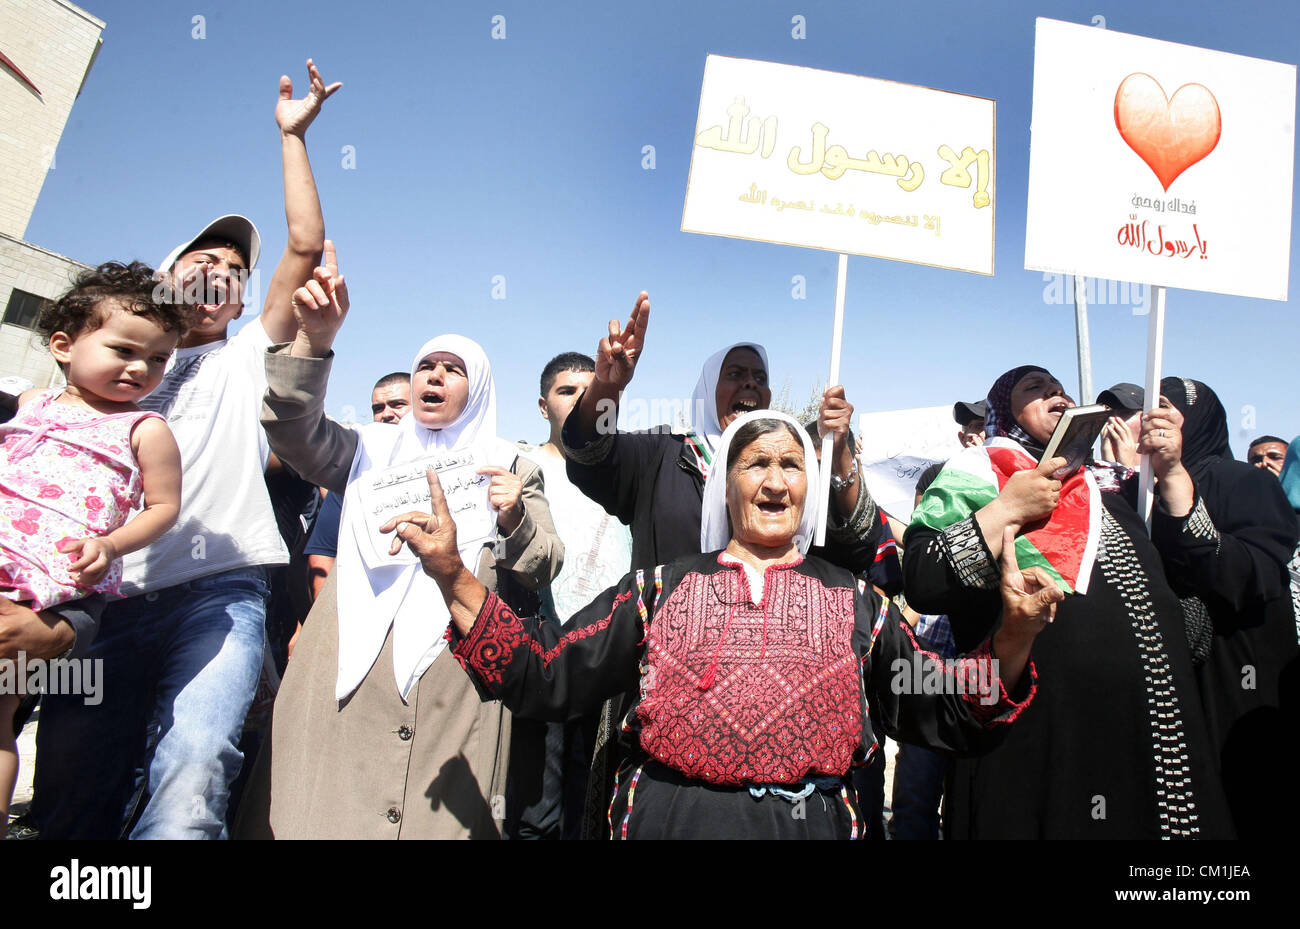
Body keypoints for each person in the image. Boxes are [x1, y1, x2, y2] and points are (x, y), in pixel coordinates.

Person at [386, 410, 1050, 839]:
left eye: (791, 464)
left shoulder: (856, 601)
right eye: (755, 462)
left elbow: (944, 709)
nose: (774, 478)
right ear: (725, 485)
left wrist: (1014, 633)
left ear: (809, 485)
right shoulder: (659, 589)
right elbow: (544, 672)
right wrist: (452, 572)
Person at [32, 59, 341, 840]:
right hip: (104, 607)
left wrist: (293, 138)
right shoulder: (106, 375)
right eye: (202, 262)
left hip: (216, 595)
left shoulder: (239, 360)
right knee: (74, 789)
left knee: (194, 771)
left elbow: (305, 244)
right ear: (162, 282)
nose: (220, 274)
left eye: (236, 272)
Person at [234, 246, 563, 839]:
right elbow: (290, 428)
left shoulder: (509, 462)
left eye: (453, 369)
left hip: (457, 672)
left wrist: (512, 516)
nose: (435, 377)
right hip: (351, 663)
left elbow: (543, 566)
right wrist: (315, 342)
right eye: (425, 367)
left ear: (480, 387)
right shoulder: (365, 450)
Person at [905, 365, 1234, 838]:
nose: (1055, 394)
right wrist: (1005, 511)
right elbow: (922, 578)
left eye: (1058, 388)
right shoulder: (978, 471)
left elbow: (1185, 570)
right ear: (1003, 409)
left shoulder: (1112, 485)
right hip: (1040, 733)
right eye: (1034, 388)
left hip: (1146, 731)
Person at [1, 262, 185, 836]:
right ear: (62, 344)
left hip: (48, 588)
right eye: (125, 350)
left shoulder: (144, 429)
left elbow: (163, 508)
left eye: (158, 359)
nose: (141, 368)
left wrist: (108, 543)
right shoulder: (31, 404)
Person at [1151, 378, 1299, 839]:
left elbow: (1250, 574)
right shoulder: (1140, 485)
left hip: (1235, 672)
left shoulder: (1245, 481)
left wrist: (1182, 501)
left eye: (1166, 410)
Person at [513, 352, 632, 838]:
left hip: (611, 655)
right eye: (567, 392)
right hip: (543, 650)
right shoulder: (519, 467)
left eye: (590, 391)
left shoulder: (628, 469)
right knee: (536, 808)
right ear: (543, 406)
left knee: (598, 803)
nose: (581, 401)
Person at [301, 372, 412, 611]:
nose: (386, 414)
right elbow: (323, 554)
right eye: (378, 408)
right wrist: (328, 622)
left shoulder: (451, 466)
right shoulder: (358, 475)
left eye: (398, 405)